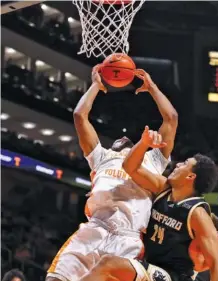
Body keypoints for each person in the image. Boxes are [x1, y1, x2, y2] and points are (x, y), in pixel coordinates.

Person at [46, 67, 178, 281]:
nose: (124, 140)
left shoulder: (150, 160)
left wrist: (152, 88)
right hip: (94, 228)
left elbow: (171, 119)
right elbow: (80, 116)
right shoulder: (101, 157)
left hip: (128, 237)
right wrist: (96, 86)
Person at [78, 128, 218, 281]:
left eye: (185, 163)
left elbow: (216, 264)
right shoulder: (163, 188)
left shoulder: (197, 214)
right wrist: (143, 143)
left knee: (108, 264)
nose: (178, 164)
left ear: (190, 176)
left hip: (172, 275)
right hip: (148, 265)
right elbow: (130, 167)